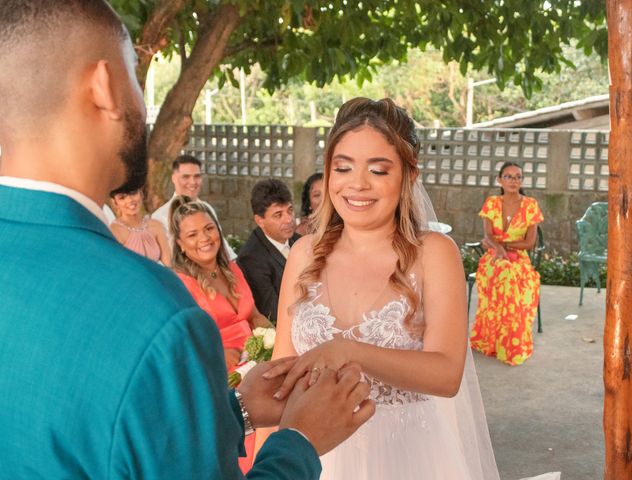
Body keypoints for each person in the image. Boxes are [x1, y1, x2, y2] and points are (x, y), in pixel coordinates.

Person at [0, 2, 374, 478]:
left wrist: (231, 410)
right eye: (135, 74)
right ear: (105, 86)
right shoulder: (154, 312)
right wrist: (300, 440)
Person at [256, 98, 560, 480]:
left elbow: (447, 373)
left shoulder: (434, 253)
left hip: (409, 457)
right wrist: (263, 460)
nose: (357, 184)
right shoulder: (303, 254)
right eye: (343, 167)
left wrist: (349, 351)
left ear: (408, 176)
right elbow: (278, 379)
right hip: (315, 458)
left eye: (378, 170)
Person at [169, 195, 273, 473]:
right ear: (180, 243)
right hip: (219, 377)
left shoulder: (232, 269)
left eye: (209, 228)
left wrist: (273, 337)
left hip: (255, 367)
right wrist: (219, 355)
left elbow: (252, 315)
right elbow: (181, 343)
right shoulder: (180, 283)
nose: (204, 238)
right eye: (192, 234)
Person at [470, 162, 544, 366]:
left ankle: (511, 344)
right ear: (499, 180)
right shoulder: (492, 203)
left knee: (510, 274)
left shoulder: (530, 205)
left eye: (518, 177)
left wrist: (503, 245)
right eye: (509, 176)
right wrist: (499, 249)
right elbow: (487, 235)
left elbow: (529, 243)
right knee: (503, 270)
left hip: (520, 259)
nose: (514, 181)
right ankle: (498, 341)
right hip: (493, 259)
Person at [237, 179, 301, 324]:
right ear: (260, 221)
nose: (289, 219)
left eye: (290, 210)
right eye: (278, 215)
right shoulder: (251, 259)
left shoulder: (300, 241)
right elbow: (272, 312)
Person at [152, 154, 237, 261]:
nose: (192, 182)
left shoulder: (206, 208)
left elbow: (223, 247)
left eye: (197, 176)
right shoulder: (160, 216)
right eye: (186, 177)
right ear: (173, 178)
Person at [109, 186, 171, 265]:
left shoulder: (156, 225)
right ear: (115, 203)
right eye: (122, 198)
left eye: (133, 193)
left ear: (141, 194)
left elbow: (168, 266)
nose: (130, 200)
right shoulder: (114, 231)